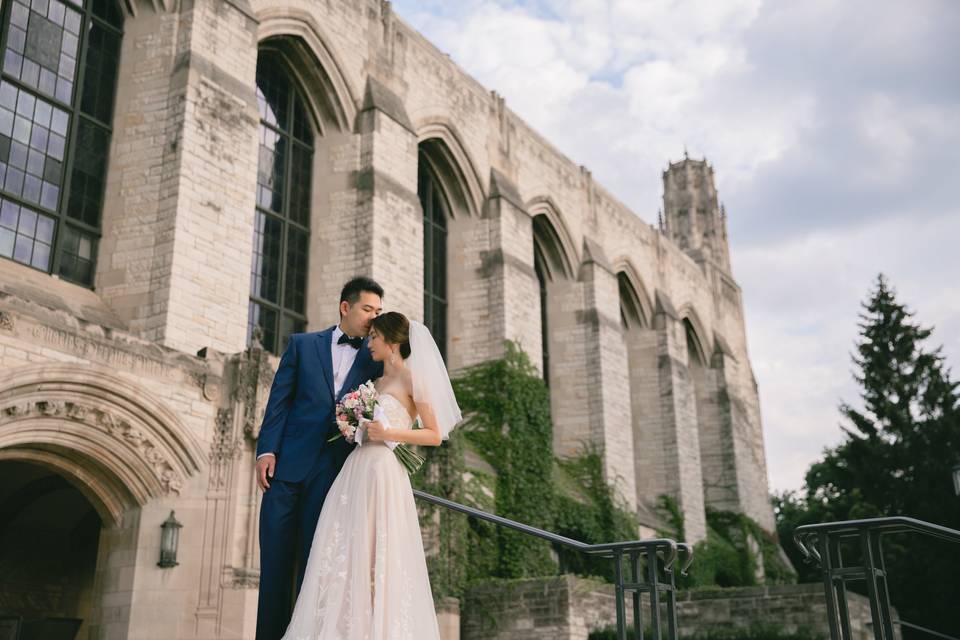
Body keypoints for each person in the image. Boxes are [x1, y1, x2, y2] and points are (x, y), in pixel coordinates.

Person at [280, 311, 462, 640]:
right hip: (356, 471)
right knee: (344, 550)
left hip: (384, 473)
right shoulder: (374, 383)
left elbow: (434, 434)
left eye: (375, 337)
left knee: (380, 552)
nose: (369, 343)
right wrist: (355, 429)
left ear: (392, 343)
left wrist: (389, 432)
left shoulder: (412, 380)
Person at [255, 277, 385, 640]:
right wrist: (266, 450)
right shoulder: (301, 345)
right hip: (284, 471)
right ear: (346, 307)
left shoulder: (376, 358)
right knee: (275, 564)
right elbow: (279, 402)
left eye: (378, 311)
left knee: (316, 568)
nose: (373, 317)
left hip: (334, 476)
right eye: (367, 309)